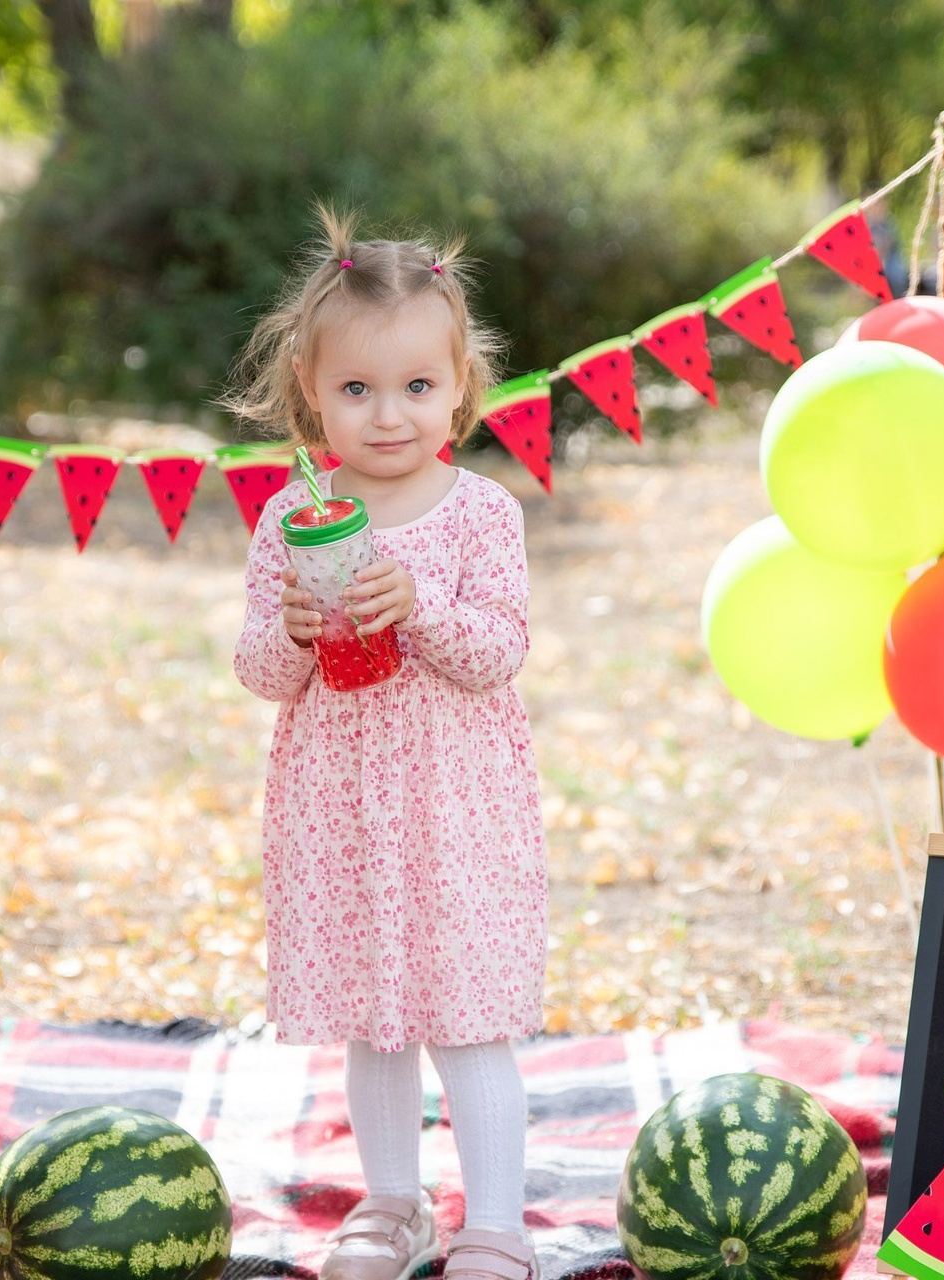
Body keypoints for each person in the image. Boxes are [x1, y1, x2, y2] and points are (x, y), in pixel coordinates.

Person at [227, 206, 547, 1280]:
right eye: (357, 389)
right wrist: (294, 633)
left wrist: (417, 608)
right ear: (311, 392)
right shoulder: (290, 518)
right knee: (374, 1017)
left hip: (455, 807)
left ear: (460, 384)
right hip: (342, 808)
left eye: (416, 385)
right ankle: (394, 1203)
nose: (388, 413)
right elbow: (259, 672)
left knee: (463, 1016)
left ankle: (494, 1220)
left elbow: (498, 650)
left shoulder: (478, 513)